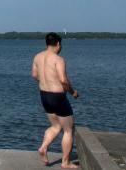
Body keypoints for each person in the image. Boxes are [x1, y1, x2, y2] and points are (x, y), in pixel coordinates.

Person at [32, 32, 80, 168]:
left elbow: (34, 75)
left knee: (56, 126)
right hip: (57, 97)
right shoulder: (58, 59)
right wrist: (73, 92)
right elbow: (64, 80)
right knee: (68, 130)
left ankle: (43, 148)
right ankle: (66, 163)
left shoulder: (37, 57)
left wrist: (47, 81)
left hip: (44, 95)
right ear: (58, 44)